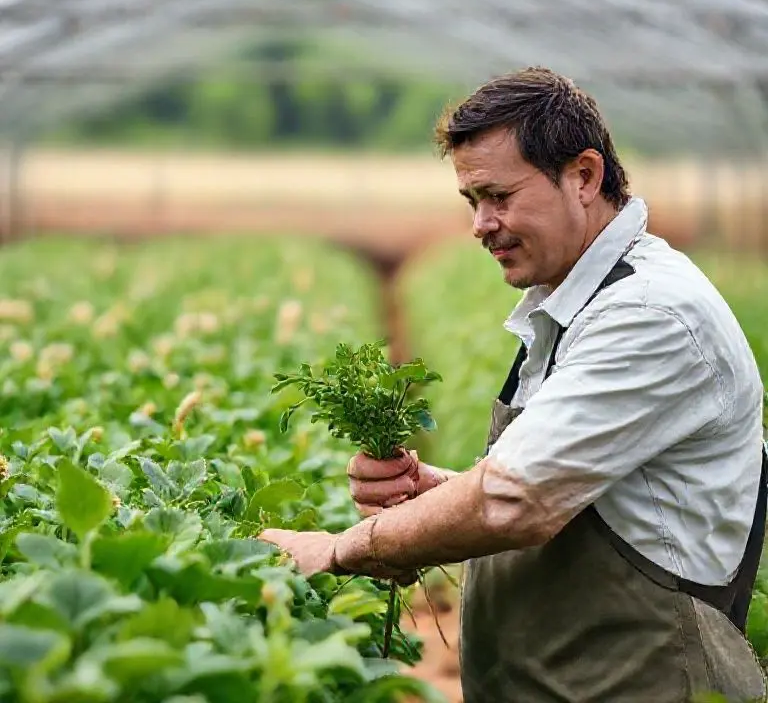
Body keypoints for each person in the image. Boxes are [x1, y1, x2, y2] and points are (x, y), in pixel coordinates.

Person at [260, 67, 768, 702]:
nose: (481, 224)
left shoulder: (651, 314)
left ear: (583, 177)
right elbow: (580, 496)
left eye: (499, 196)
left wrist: (340, 550)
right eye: (473, 201)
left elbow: (515, 501)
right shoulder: (572, 303)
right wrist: (435, 496)